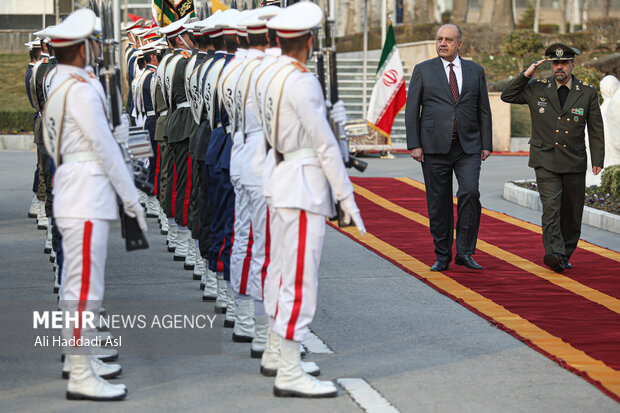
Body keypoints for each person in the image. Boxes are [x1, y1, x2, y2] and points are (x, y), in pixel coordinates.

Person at [39, 8, 146, 401]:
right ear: (84, 48)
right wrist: (131, 201)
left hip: (76, 190)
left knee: (80, 286)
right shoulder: (81, 89)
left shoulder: (66, 83)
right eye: (96, 42)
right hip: (86, 194)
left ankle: (79, 358)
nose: (100, 47)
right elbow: (104, 149)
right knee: (84, 289)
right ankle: (81, 373)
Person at [265, 2, 365, 397]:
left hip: (281, 178)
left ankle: (278, 350)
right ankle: (288, 368)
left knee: (281, 273)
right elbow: (324, 146)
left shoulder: (273, 75)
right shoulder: (301, 80)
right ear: (308, 42)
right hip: (303, 185)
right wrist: (347, 198)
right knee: (299, 281)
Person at [501, 43, 605, 272]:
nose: (559, 67)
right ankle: (555, 253)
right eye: (555, 63)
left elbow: (595, 129)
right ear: (550, 65)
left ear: (572, 65)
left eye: (564, 63)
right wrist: (526, 74)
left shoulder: (586, 92)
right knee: (551, 207)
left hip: (574, 159)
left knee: (572, 212)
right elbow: (507, 95)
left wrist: (598, 159)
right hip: (545, 159)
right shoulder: (536, 87)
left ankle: (566, 252)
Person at [405, 23, 492, 272]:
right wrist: (414, 144)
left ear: (459, 44)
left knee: (469, 193)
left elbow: (483, 108)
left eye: (448, 40)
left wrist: (486, 143)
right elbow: (413, 110)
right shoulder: (423, 70)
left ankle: (465, 252)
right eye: (440, 39)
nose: (443, 43)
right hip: (433, 147)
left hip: (468, 146)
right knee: (438, 202)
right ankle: (442, 254)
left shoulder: (476, 71)